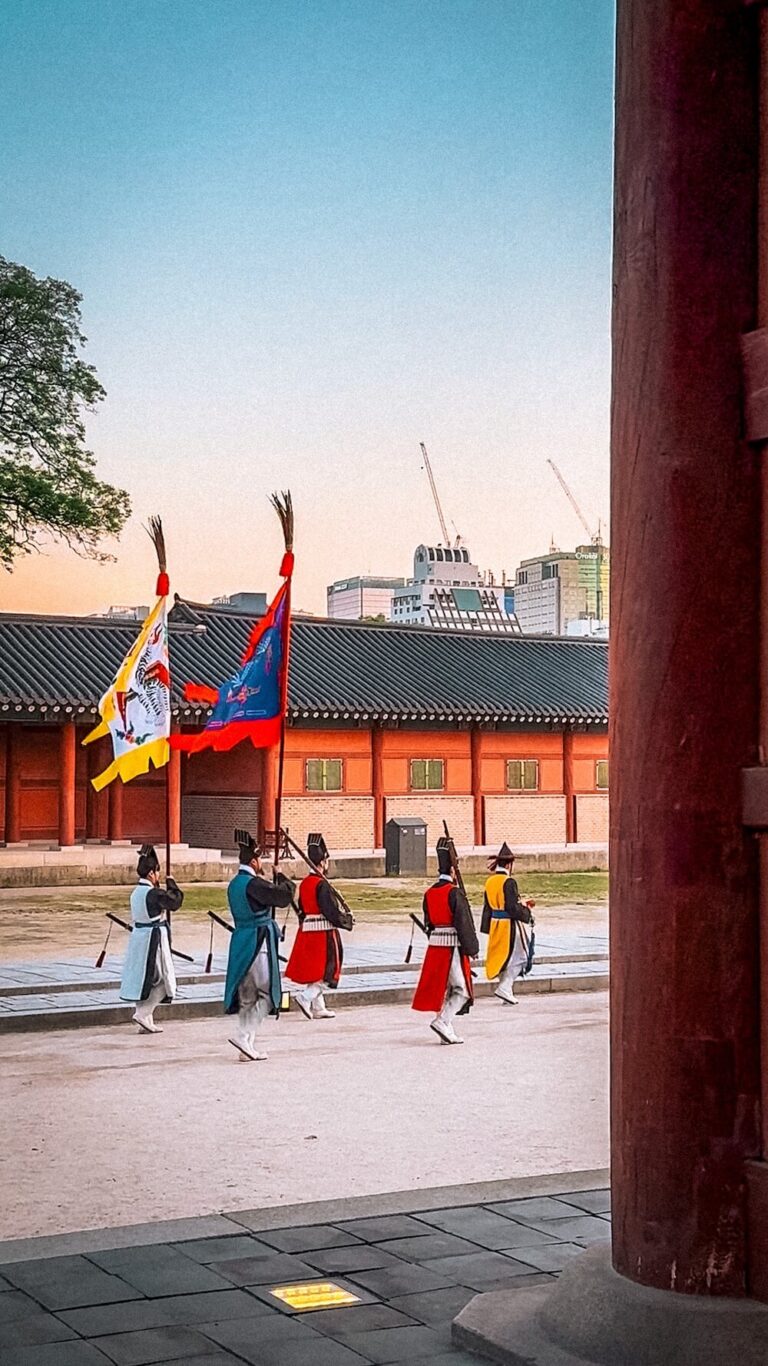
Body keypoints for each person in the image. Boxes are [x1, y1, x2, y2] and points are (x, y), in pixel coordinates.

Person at [224, 828, 295, 1061]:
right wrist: (282, 877)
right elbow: (283, 897)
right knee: (268, 993)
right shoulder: (253, 884)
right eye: (260, 860)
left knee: (247, 996)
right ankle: (244, 1036)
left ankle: (247, 1046)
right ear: (254, 861)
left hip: (241, 940)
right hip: (259, 941)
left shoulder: (234, 884)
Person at [411, 838, 479, 1044]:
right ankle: (443, 1021)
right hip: (452, 947)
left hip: (435, 946)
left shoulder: (429, 893)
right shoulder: (454, 893)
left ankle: (446, 1028)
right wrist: (472, 947)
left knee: (448, 988)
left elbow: (429, 922)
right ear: (452, 869)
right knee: (462, 990)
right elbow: (463, 923)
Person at [286, 833, 354, 1021]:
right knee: (328, 971)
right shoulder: (321, 884)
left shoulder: (306, 883)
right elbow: (330, 911)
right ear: (323, 861)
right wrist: (345, 920)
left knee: (316, 969)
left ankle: (319, 1006)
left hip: (309, 931)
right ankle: (305, 997)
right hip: (324, 932)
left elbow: (301, 908)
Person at [120, 844, 184, 1034]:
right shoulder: (153, 893)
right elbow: (174, 902)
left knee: (146, 979)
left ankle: (146, 1019)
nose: (158, 876)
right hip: (153, 939)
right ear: (151, 874)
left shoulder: (136, 893)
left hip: (140, 938)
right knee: (164, 981)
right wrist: (172, 884)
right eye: (157, 872)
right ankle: (143, 1013)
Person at [481, 841, 535, 1005]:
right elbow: (511, 907)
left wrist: (486, 927)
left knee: (503, 957)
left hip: (495, 923)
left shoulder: (490, 882)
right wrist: (527, 912)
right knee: (520, 956)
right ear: (510, 864)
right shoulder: (508, 882)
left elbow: (487, 907)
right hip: (508, 925)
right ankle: (505, 986)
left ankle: (507, 989)